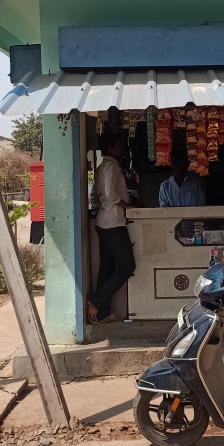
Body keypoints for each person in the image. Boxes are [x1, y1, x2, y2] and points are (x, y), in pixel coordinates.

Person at [87, 132, 136, 324]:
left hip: (102, 222)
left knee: (106, 268)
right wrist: (127, 207)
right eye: (118, 146)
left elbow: (94, 196)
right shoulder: (112, 167)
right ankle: (96, 300)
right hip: (114, 224)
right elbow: (112, 195)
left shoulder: (100, 168)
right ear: (109, 149)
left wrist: (102, 209)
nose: (121, 149)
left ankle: (102, 313)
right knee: (127, 266)